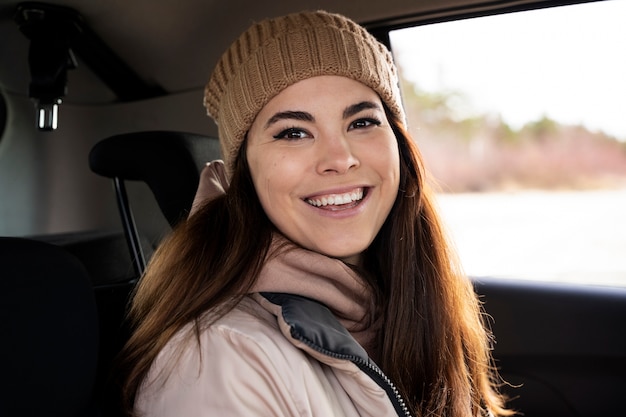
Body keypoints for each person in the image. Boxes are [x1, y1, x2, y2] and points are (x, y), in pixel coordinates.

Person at [115, 10, 512, 417]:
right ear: (245, 172)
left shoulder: (412, 301)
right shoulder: (221, 358)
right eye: (293, 132)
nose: (339, 159)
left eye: (361, 122)